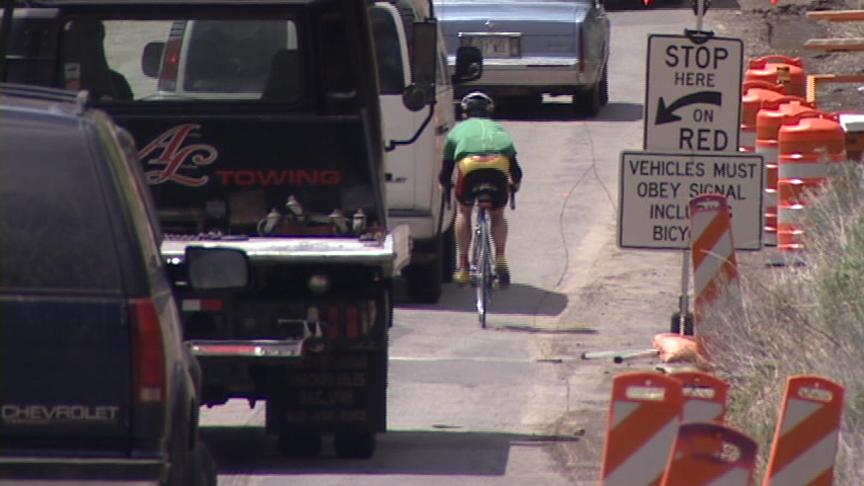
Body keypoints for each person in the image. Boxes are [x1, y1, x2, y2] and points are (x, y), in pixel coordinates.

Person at [439, 92, 523, 287]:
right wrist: (515, 185)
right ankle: (500, 256)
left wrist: (445, 186)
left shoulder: (456, 131)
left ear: (465, 113)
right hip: (498, 167)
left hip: (470, 168)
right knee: (498, 215)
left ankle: (463, 266)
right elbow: (515, 170)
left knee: (464, 212)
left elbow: (446, 172)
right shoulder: (498, 129)